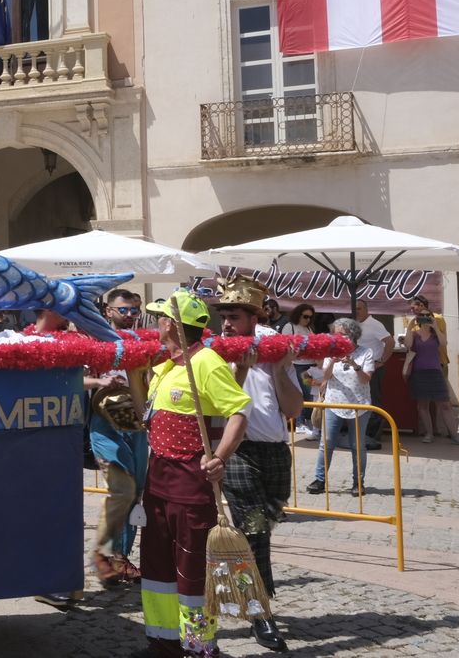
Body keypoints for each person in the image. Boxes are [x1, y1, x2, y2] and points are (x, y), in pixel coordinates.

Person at [136, 289, 251, 658]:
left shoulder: (205, 362)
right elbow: (146, 418)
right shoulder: (167, 365)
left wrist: (219, 456)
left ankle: (200, 646)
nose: (156, 323)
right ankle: (162, 641)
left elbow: (238, 412)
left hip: (190, 486)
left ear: (171, 324)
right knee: (156, 569)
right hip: (157, 484)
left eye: (159, 318)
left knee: (191, 572)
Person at [214, 277, 297, 653]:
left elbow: (294, 409)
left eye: (233, 316)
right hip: (240, 451)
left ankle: (251, 599)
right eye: (224, 316)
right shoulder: (215, 351)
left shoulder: (273, 345)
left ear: (253, 317)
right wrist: (243, 371)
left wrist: (279, 370)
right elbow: (222, 405)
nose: (227, 323)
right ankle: (261, 613)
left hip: (276, 450)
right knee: (254, 531)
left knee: (264, 527)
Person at [85, 288, 147, 588]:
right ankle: (101, 554)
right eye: (125, 310)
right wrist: (100, 380)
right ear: (108, 311)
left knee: (135, 494)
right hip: (106, 421)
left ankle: (120, 557)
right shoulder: (94, 341)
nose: (131, 316)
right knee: (122, 490)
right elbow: (73, 377)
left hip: (136, 423)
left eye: (136, 310)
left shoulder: (141, 341)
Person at [310, 318, 377, 496]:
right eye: (335, 334)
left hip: (359, 405)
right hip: (334, 402)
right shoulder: (330, 352)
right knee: (327, 443)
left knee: (357, 445)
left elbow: (366, 379)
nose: (337, 338)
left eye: (341, 334)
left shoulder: (366, 352)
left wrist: (354, 365)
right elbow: (325, 376)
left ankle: (358, 482)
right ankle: (319, 480)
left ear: (352, 335)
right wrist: (332, 361)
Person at [402, 316, 459, 446]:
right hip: (419, 372)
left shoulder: (436, 335)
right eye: (422, 317)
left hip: (435, 372)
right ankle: (429, 433)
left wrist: (435, 327)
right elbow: (408, 345)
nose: (425, 319)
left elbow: (443, 343)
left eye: (428, 316)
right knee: (423, 405)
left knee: (445, 404)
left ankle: (455, 435)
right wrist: (410, 326)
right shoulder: (414, 334)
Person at [351, 300, 394, 447]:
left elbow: (390, 342)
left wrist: (381, 361)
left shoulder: (374, 324)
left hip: (373, 368)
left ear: (366, 309)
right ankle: (362, 434)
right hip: (359, 368)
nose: (357, 311)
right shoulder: (355, 324)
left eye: (360, 308)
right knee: (361, 399)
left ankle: (372, 436)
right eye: (355, 308)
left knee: (373, 400)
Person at [284, 303, 319, 440]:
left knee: (310, 394)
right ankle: (300, 423)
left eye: (310, 317)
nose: (308, 320)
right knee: (303, 392)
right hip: (298, 366)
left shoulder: (309, 328)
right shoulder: (290, 327)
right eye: (305, 316)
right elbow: (286, 345)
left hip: (310, 365)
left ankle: (307, 421)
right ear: (298, 315)